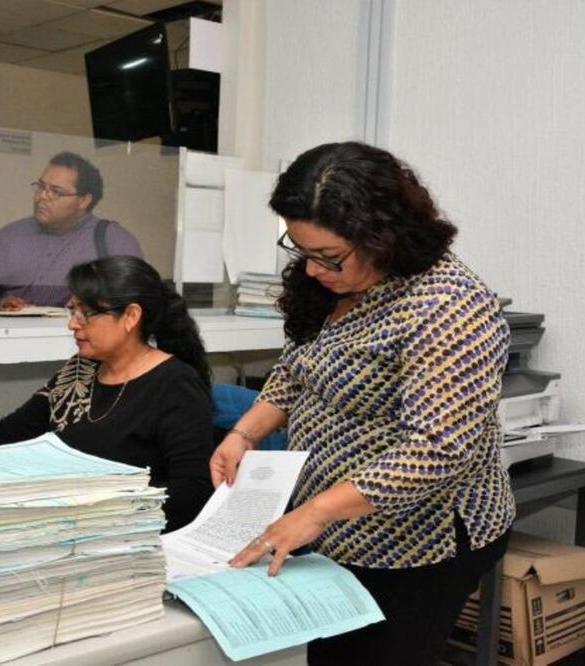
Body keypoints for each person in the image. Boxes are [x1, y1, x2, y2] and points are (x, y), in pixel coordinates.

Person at [210, 142, 515, 665]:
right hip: (340, 526)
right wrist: (245, 433)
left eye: (328, 257)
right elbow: (298, 366)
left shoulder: (447, 305)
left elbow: (437, 449)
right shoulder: (334, 283)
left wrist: (315, 512)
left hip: (422, 541)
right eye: (301, 251)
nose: (311, 270)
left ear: (385, 236)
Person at [0, 255, 214, 532]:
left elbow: (191, 492)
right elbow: (8, 431)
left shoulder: (175, 385)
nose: (73, 323)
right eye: (72, 310)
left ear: (131, 316)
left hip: (124, 537)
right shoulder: (80, 371)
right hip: (62, 528)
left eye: (86, 313)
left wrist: (104, 520)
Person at [0, 152, 143, 312]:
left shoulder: (113, 241)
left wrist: (86, 305)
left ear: (84, 200)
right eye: (41, 187)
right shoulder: (9, 236)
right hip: (9, 340)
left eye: (56, 192)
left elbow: (133, 301)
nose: (42, 196)